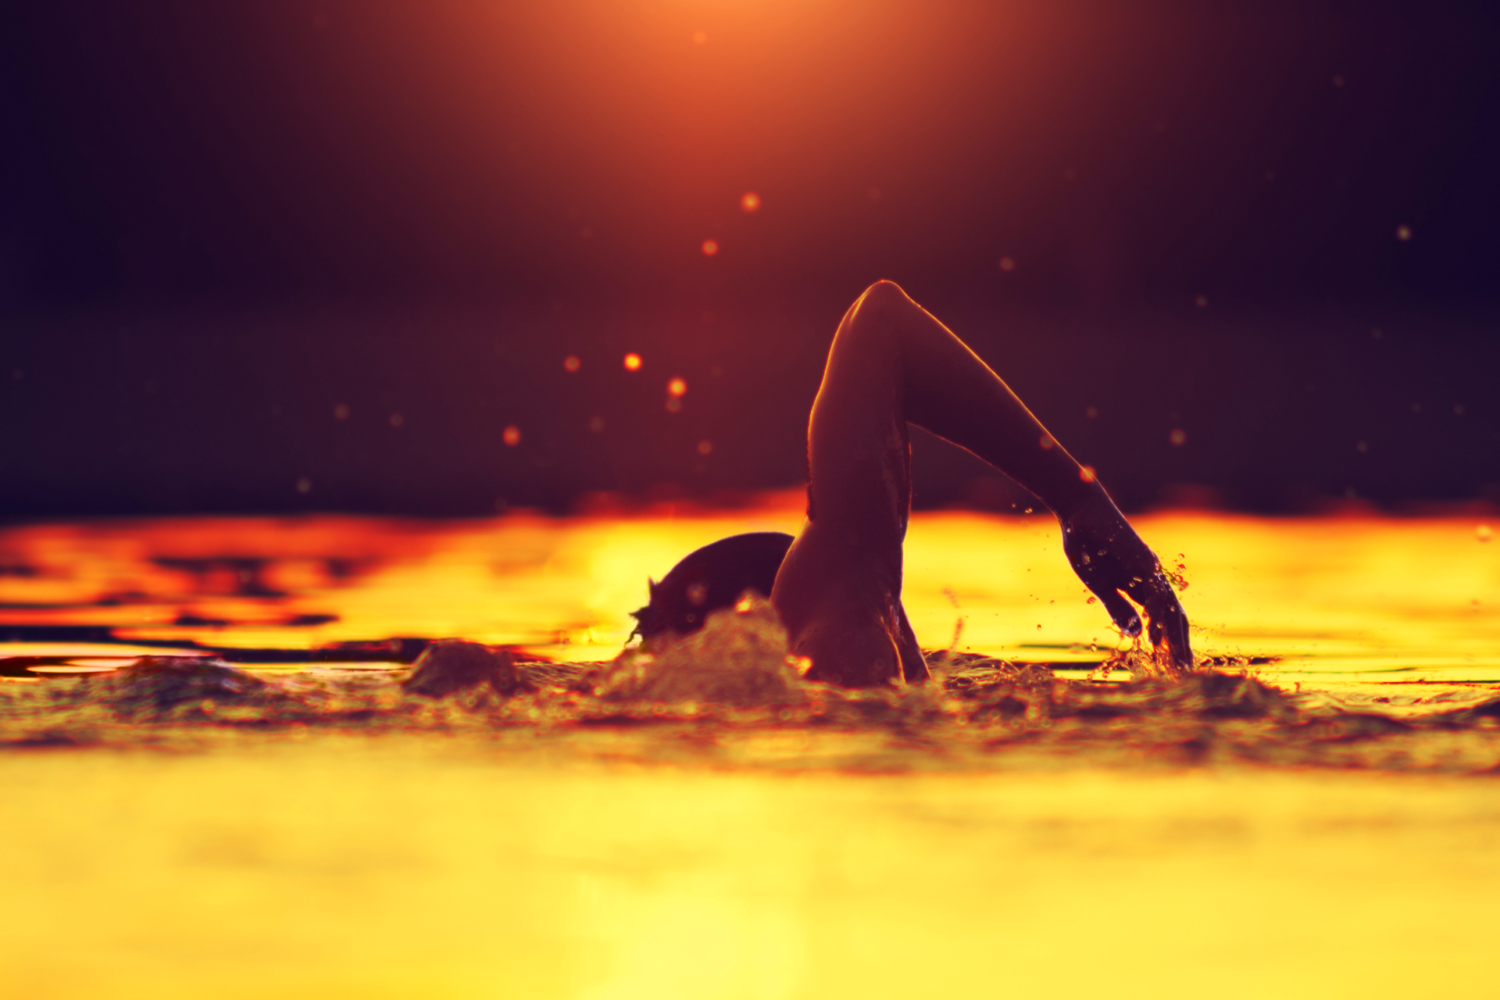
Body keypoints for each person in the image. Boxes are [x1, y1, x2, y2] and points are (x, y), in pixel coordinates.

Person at [632, 281, 1192, 686]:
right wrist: (1076, 498)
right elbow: (878, 321)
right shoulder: (838, 630)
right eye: (794, 564)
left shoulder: (863, 683)